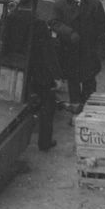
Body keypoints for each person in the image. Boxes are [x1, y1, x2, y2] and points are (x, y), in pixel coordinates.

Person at [45, 0, 105, 113]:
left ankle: (89, 111)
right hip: (69, 51)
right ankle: (75, 110)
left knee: (89, 81)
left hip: (88, 51)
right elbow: (53, 22)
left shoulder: (94, 4)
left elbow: (102, 30)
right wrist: (69, 32)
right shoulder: (60, 4)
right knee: (73, 81)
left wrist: (101, 53)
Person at [29, 9, 63, 152]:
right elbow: (49, 54)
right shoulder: (40, 26)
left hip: (26, 73)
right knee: (48, 108)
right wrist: (57, 77)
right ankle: (44, 143)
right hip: (41, 76)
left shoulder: (13, 18)